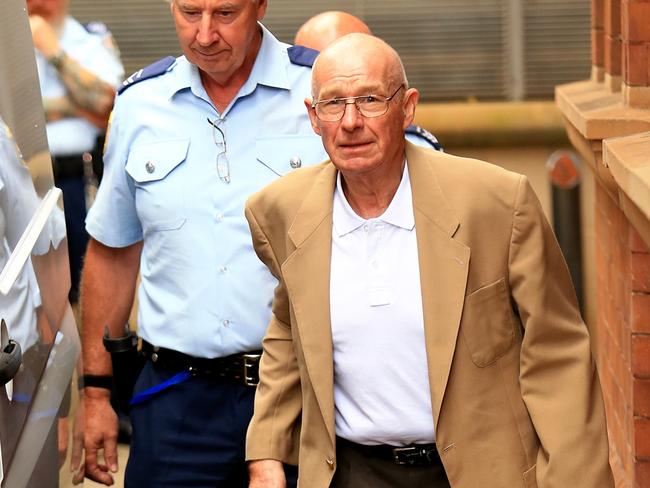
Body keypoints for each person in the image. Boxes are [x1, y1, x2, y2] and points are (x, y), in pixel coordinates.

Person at [244, 34, 614, 488]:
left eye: (370, 100)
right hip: (349, 471)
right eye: (333, 104)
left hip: (480, 471)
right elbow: (287, 329)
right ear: (313, 117)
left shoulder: (496, 203)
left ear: (408, 106)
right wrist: (266, 453)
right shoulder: (280, 211)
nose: (350, 122)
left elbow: (558, 355)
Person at [79, 0, 326, 486]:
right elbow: (112, 252)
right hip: (176, 400)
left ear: (260, 5)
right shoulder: (139, 104)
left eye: (225, 14)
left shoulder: (319, 90)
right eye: (190, 13)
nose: (205, 34)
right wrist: (95, 393)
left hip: (301, 394)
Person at [27, 0, 124, 304]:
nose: (37, 3)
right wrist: (75, 106)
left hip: (77, 183)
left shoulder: (90, 39)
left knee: (88, 285)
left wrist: (52, 50)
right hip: (24, 185)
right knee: (34, 293)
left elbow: (106, 104)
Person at [294, 11, 442, 152]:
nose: (350, 122)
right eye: (311, 65)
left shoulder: (415, 150)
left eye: (369, 99)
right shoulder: (282, 131)